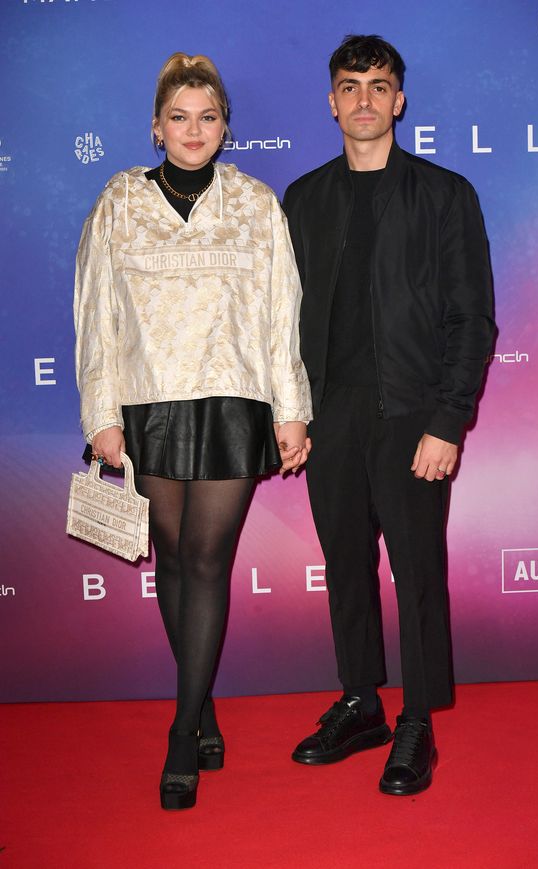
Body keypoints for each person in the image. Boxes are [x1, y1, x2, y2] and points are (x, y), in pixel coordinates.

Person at [74, 52, 312, 811]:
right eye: (179, 116)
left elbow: (282, 313)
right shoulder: (118, 201)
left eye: (208, 117)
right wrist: (101, 414)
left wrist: (291, 406)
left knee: (206, 560)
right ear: (156, 127)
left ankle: (182, 731)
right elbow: (96, 315)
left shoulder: (254, 202)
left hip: (234, 399)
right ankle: (201, 702)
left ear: (225, 127)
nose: (194, 129)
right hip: (149, 402)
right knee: (171, 561)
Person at [283, 34, 495, 795]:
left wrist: (448, 420)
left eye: (379, 86)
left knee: (417, 572)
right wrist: (293, 412)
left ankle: (417, 720)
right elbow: (284, 320)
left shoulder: (445, 195)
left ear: (399, 100)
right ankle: (362, 700)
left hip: (412, 415)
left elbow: (473, 320)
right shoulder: (303, 200)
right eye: (350, 86)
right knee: (345, 564)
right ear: (332, 100)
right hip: (329, 413)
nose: (365, 99)